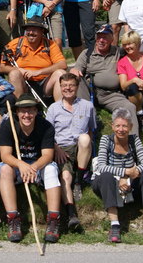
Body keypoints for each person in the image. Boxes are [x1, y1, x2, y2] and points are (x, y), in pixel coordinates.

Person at [71, 24, 143, 136]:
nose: (101, 40)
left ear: (112, 39)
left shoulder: (118, 51)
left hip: (111, 94)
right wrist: (74, 70)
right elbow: (76, 69)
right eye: (99, 37)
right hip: (90, 91)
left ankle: (132, 141)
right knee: (76, 78)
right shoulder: (87, 53)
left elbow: (134, 50)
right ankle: (89, 115)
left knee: (129, 107)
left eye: (105, 37)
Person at [0, 93, 61, 243]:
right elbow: (5, 155)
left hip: (38, 164)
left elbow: (47, 155)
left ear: (36, 111)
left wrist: (32, 168)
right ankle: (13, 220)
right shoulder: (8, 125)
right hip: (15, 164)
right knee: (5, 169)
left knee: (52, 170)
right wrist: (21, 165)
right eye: (23, 111)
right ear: (17, 112)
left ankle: (53, 220)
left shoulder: (46, 126)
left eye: (31, 110)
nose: (27, 115)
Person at [92, 108, 143, 243]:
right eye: (117, 126)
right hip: (108, 182)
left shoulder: (135, 140)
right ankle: (114, 225)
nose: (121, 129)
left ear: (131, 126)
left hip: (130, 180)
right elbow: (101, 166)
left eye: (124, 126)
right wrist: (125, 172)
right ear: (112, 126)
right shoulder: (106, 140)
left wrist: (129, 177)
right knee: (106, 176)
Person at [46, 73, 96, 230]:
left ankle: (79, 181)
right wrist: (56, 148)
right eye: (64, 86)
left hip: (81, 146)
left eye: (71, 85)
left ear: (77, 86)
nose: (68, 88)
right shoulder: (53, 109)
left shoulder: (88, 105)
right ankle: (71, 213)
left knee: (85, 139)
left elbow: (91, 130)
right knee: (65, 176)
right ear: (60, 88)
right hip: (62, 148)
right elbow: (47, 135)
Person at [0, 16, 67, 102]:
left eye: (34, 30)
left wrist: (38, 72)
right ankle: (19, 108)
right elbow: (2, 67)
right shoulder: (15, 44)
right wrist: (19, 70)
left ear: (42, 31)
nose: (30, 33)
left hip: (45, 83)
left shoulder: (50, 44)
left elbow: (62, 64)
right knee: (14, 74)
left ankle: (61, 110)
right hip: (24, 82)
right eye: (28, 30)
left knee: (60, 73)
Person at [117, 30, 143, 133]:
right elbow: (123, 86)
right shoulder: (122, 63)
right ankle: (140, 115)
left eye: (130, 44)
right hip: (132, 96)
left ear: (138, 44)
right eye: (125, 45)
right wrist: (134, 80)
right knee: (132, 86)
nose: (127, 47)